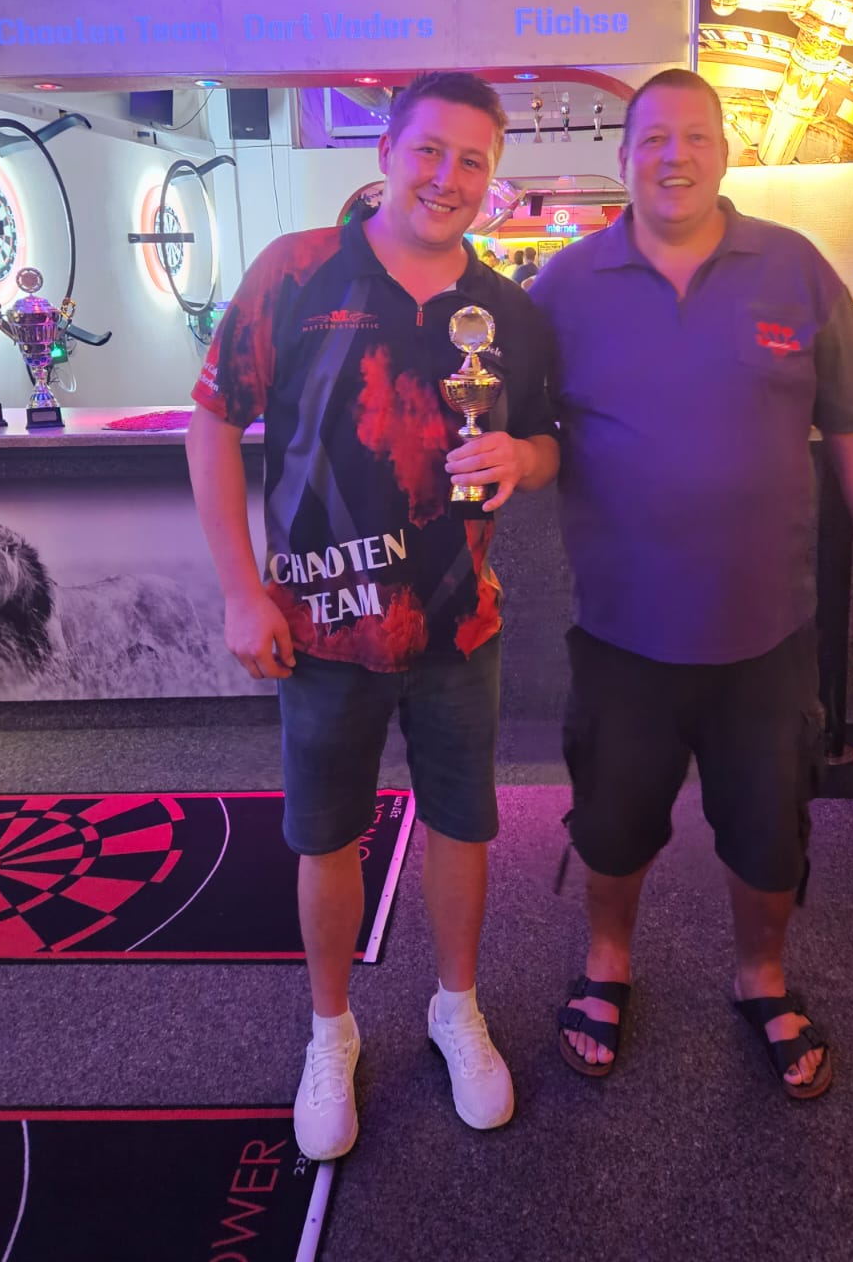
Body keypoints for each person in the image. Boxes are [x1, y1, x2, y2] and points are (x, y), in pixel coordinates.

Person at [186, 71, 559, 1160]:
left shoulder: (508, 311)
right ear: (388, 153)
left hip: (459, 625)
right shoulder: (296, 272)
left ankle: (456, 1007)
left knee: (463, 823)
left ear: (493, 178)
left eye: (472, 160)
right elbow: (212, 423)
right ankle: (331, 1029)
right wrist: (240, 588)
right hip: (321, 626)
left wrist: (524, 456)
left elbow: (548, 443)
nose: (448, 177)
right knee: (326, 834)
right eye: (429, 150)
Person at [529, 68, 853, 1100]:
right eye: (654, 138)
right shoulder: (563, 287)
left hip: (767, 634)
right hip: (622, 634)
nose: (676, 156)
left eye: (696, 136)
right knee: (612, 823)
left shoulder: (795, 269)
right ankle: (607, 963)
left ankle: (762, 976)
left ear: (725, 151)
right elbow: (520, 429)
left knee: (769, 830)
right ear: (625, 157)